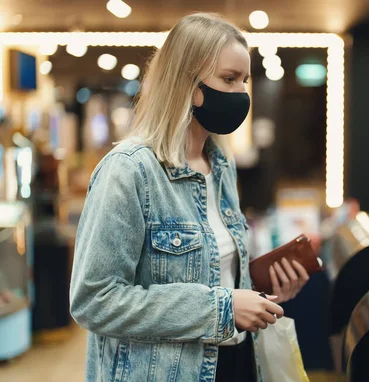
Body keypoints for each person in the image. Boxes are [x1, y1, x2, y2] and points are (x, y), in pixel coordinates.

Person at [69, 13, 310, 382]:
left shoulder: (221, 164)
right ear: (187, 82)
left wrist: (262, 293)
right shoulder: (129, 171)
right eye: (228, 79)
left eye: (244, 80)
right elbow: (94, 300)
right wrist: (221, 309)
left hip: (236, 364)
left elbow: (217, 275)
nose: (241, 93)